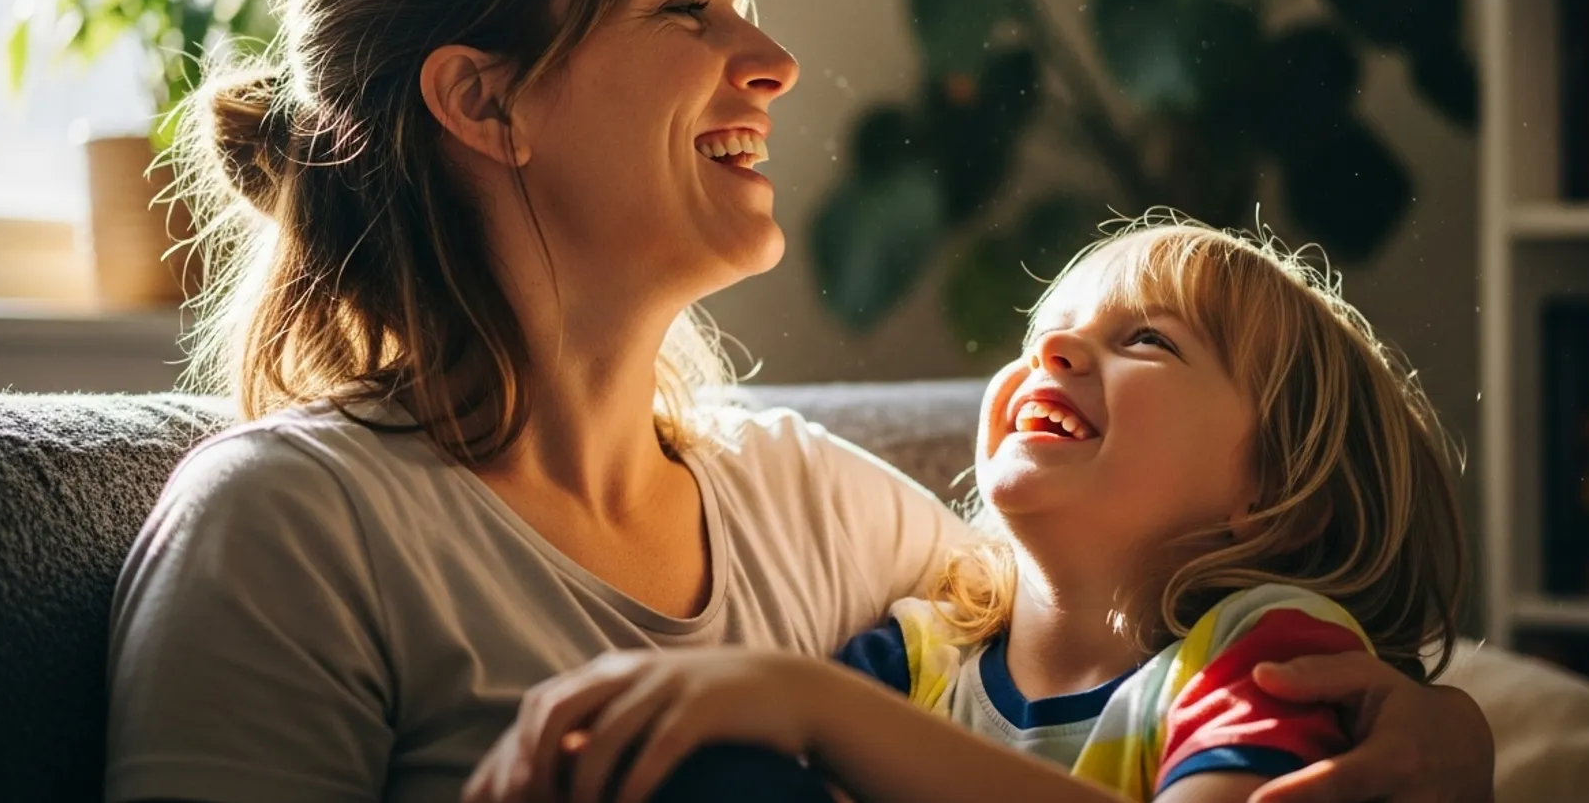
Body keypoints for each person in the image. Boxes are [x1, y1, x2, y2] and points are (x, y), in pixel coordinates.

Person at [104, 0, 1493, 803]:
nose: (769, 63)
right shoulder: (292, 524)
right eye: (682, 10)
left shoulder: (823, 513)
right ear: (486, 99)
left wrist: (1448, 733)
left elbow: (1137, 611)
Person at [460, 218, 1470, 803]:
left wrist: (815, 705)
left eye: (1150, 342)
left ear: (1276, 487)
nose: (1057, 355)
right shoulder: (920, 655)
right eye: (1050, 334)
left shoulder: (1262, 653)